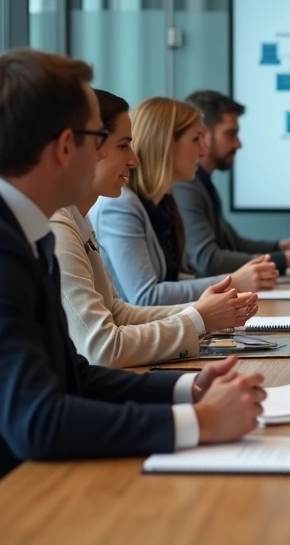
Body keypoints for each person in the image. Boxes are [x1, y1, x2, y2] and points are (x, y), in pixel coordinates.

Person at [0, 49, 265, 544]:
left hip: (18, 486)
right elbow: (38, 421)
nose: (114, 154)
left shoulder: (13, 226)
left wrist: (189, 390)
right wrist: (198, 423)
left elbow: (70, 375)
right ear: (65, 147)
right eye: (98, 138)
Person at [52, 89, 260, 368]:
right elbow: (102, 348)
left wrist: (201, 313)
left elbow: (116, 312)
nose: (134, 160)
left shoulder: (80, 218)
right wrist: (199, 318)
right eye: (123, 145)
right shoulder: (57, 225)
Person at [91, 97, 278, 306]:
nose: (202, 151)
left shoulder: (165, 203)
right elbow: (146, 297)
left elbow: (172, 280)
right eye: (196, 139)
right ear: (166, 144)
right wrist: (232, 281)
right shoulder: (120, 205)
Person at [177, 90, 290, 277]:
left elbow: (231, 243)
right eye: (230, 134)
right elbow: (208, 260)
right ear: (203, 135)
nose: (238, 144)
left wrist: (280, 247)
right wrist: (287, 260)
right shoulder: (185, 186)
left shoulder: (203, 183)